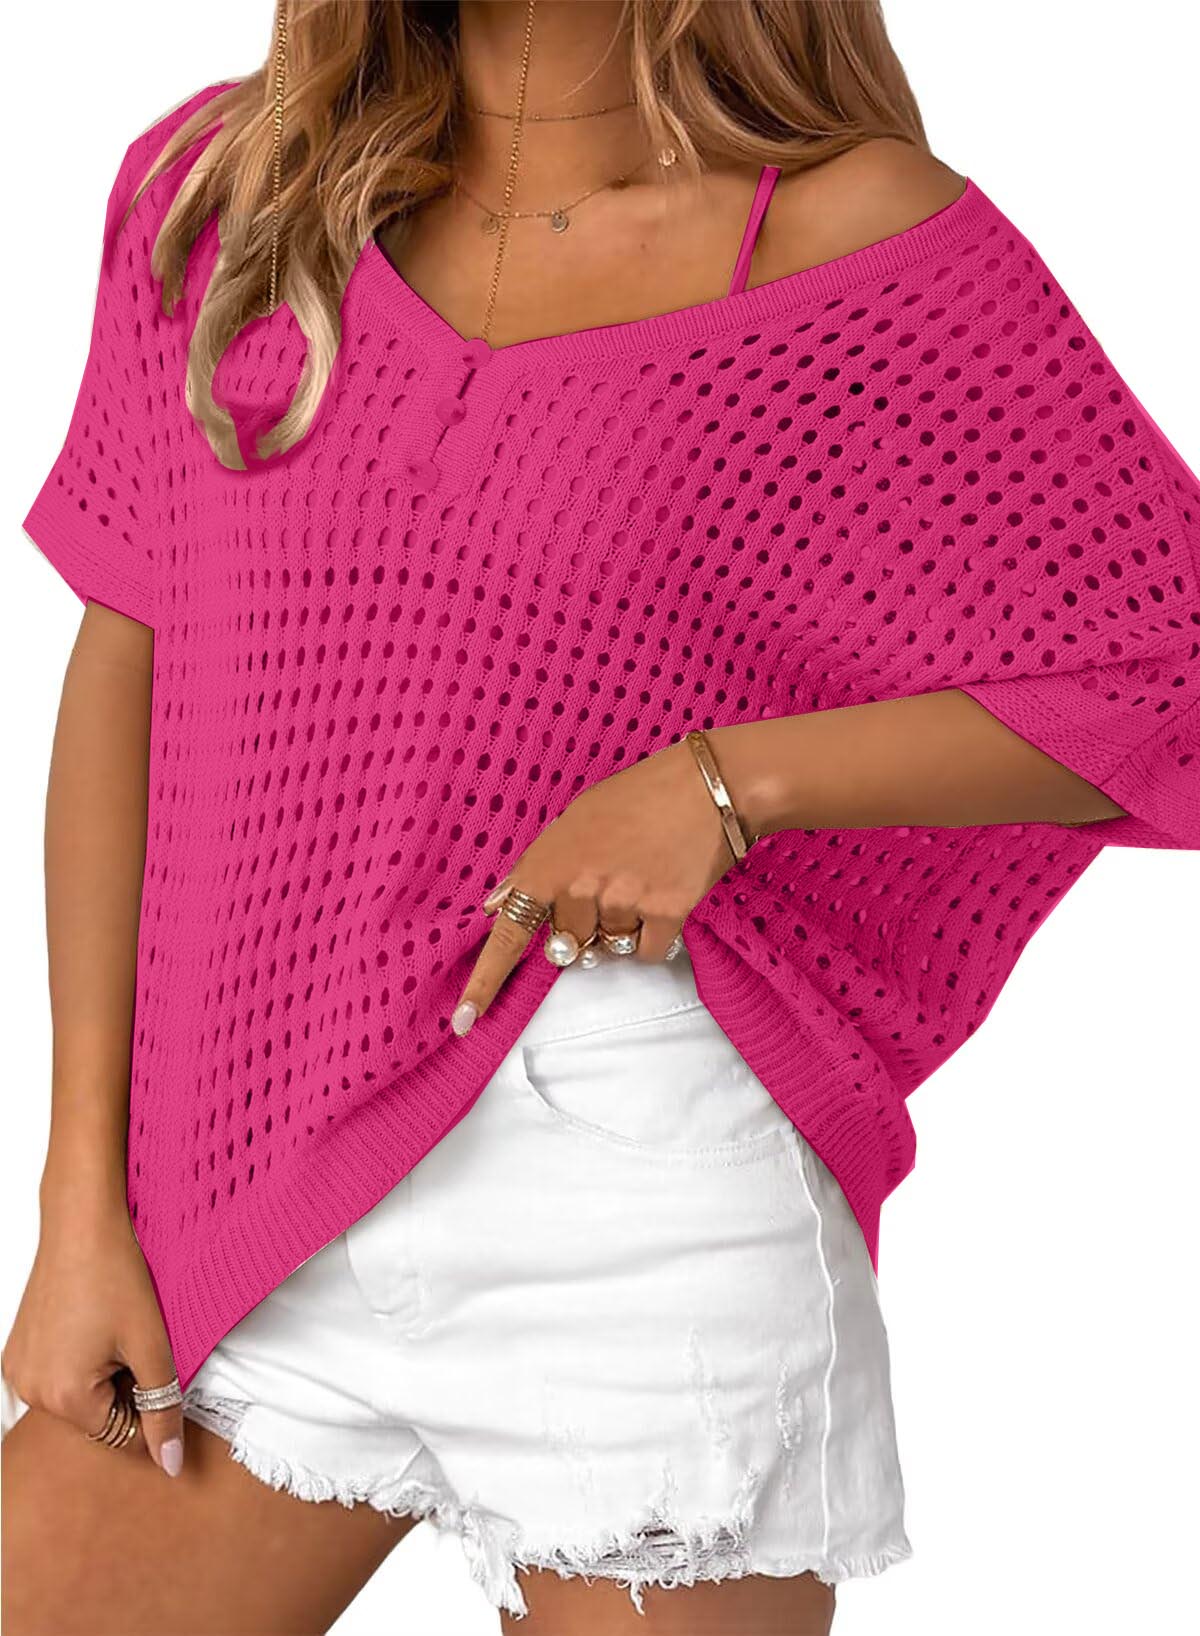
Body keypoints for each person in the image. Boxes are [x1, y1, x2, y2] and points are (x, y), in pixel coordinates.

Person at [3, 2, 1197, 1633]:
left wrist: (728, 784)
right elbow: (130, 657)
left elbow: (1165, 673)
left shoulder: (849, 235)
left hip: (643, 1200)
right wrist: (77, 1198)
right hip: (250, 1175)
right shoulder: (227, 194)